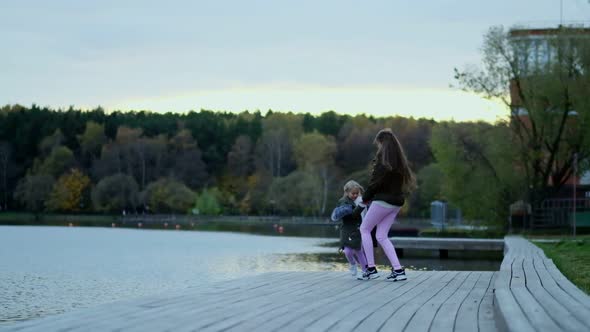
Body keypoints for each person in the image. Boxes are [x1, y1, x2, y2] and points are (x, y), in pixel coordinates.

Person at [359, 128, 416, 281]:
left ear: (381, 143)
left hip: (383, 201)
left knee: (364, 229)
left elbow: (374, 184)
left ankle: (370, 268)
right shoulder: (400, 163)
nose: (378, 147)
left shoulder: (382, 163)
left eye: (378, 144)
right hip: (396, 203)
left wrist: (365, 198)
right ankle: (398, 270)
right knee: (381, 235)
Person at [330, 180, 368, 278]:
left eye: (357, 193)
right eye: (353, 193)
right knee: (347, 251)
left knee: (359, 250)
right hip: (346, 229)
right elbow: (339, 215)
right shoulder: (342, 201)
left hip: (357, 228)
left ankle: (365, 271)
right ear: (347, 192)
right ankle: (353, 264)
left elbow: (364, 215)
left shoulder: (361, 201)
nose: (355, 195)